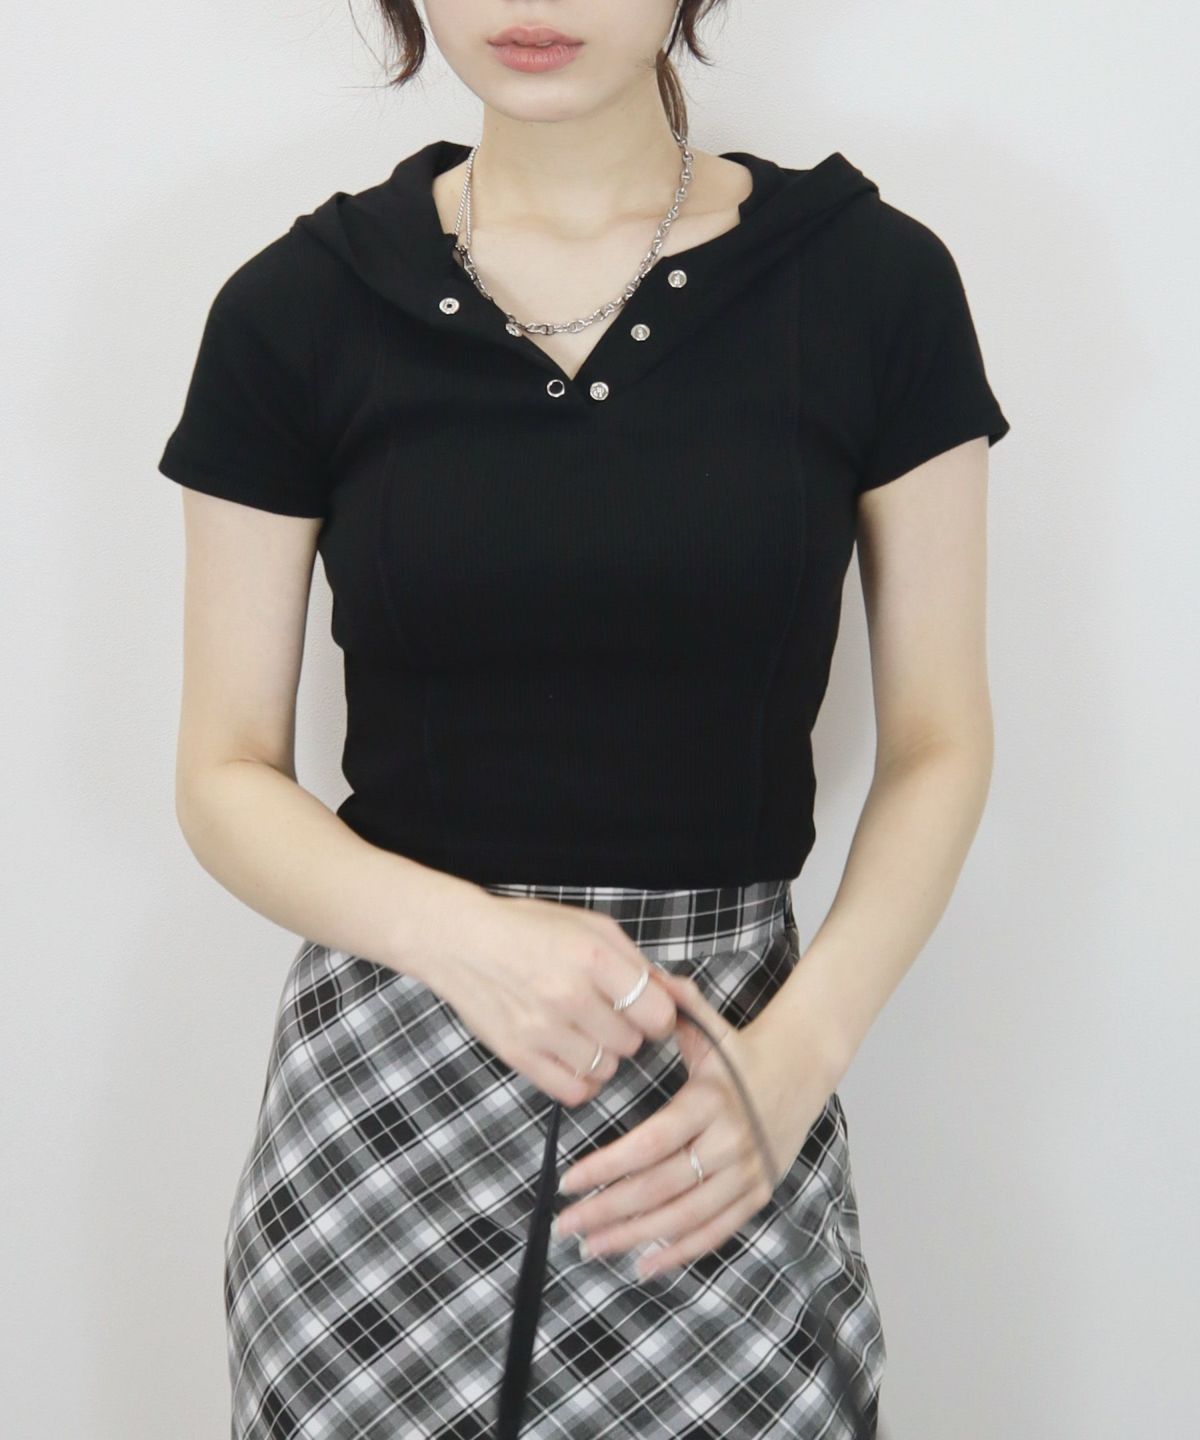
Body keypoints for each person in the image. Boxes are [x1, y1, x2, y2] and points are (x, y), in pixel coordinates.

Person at [158, 3, 1011, 1436]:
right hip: (390, 1099)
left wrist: (795, 1061)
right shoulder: (294, 308)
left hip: (720, 1083)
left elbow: (941, 739)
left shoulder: (872, 282)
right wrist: (472, 944)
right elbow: (223, 771)